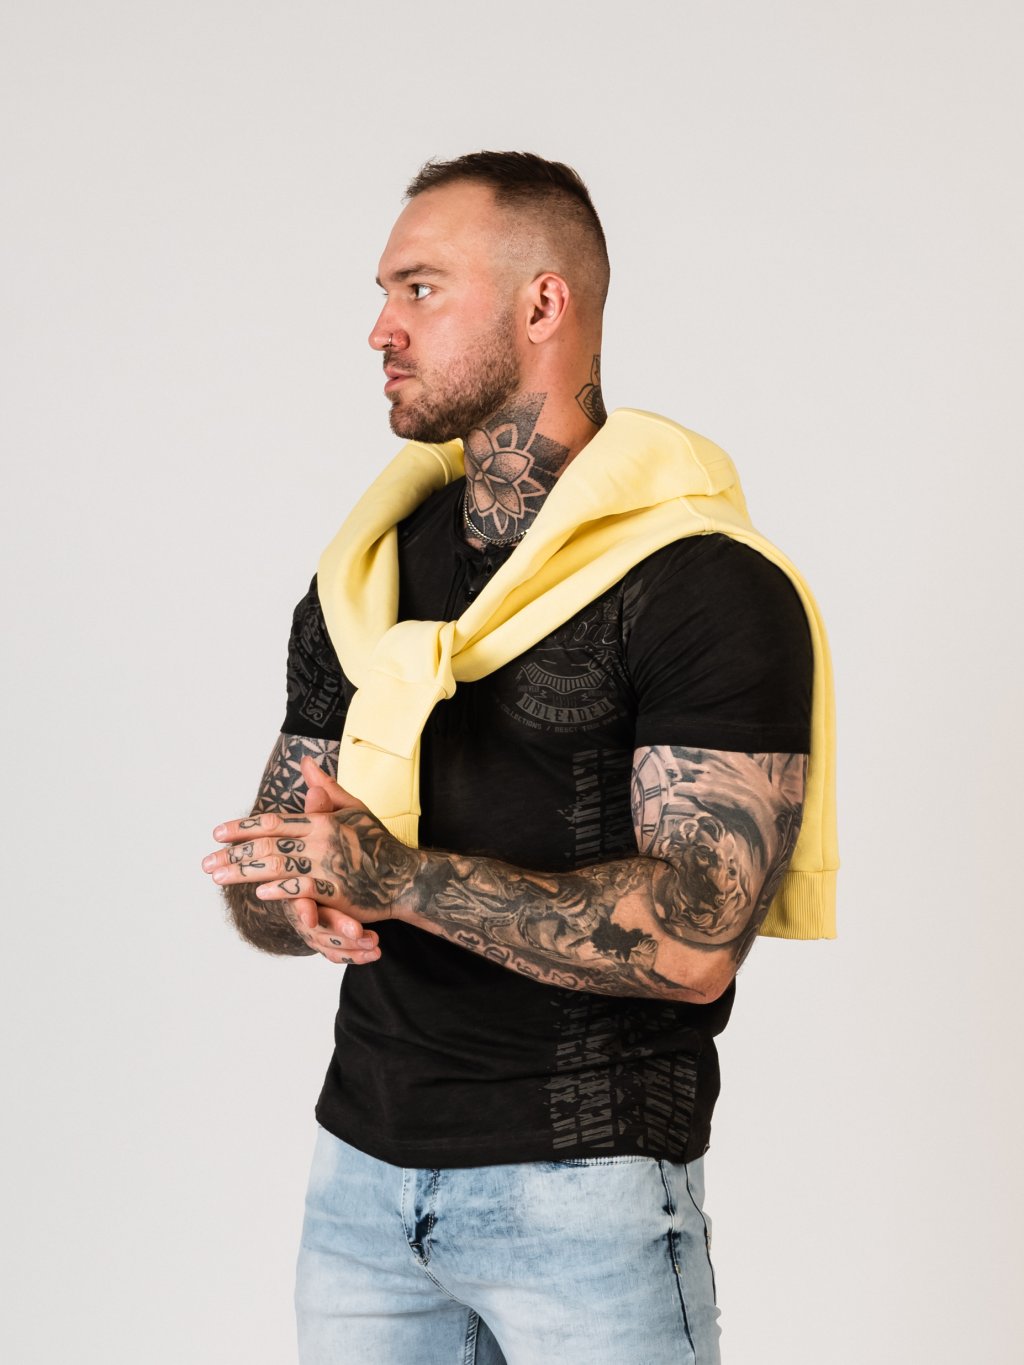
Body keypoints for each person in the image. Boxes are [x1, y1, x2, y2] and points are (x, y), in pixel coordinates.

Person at [202, 151, 835, 1365]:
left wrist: (393, 879)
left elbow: (695, 940)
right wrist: (289, 886)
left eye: (420, 288)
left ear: (543, 305)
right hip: (360, 1179)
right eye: (384, 293)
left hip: (585, 1197)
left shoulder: (700, 585)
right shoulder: (366, 573)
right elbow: (287, 859)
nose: (380, 329)